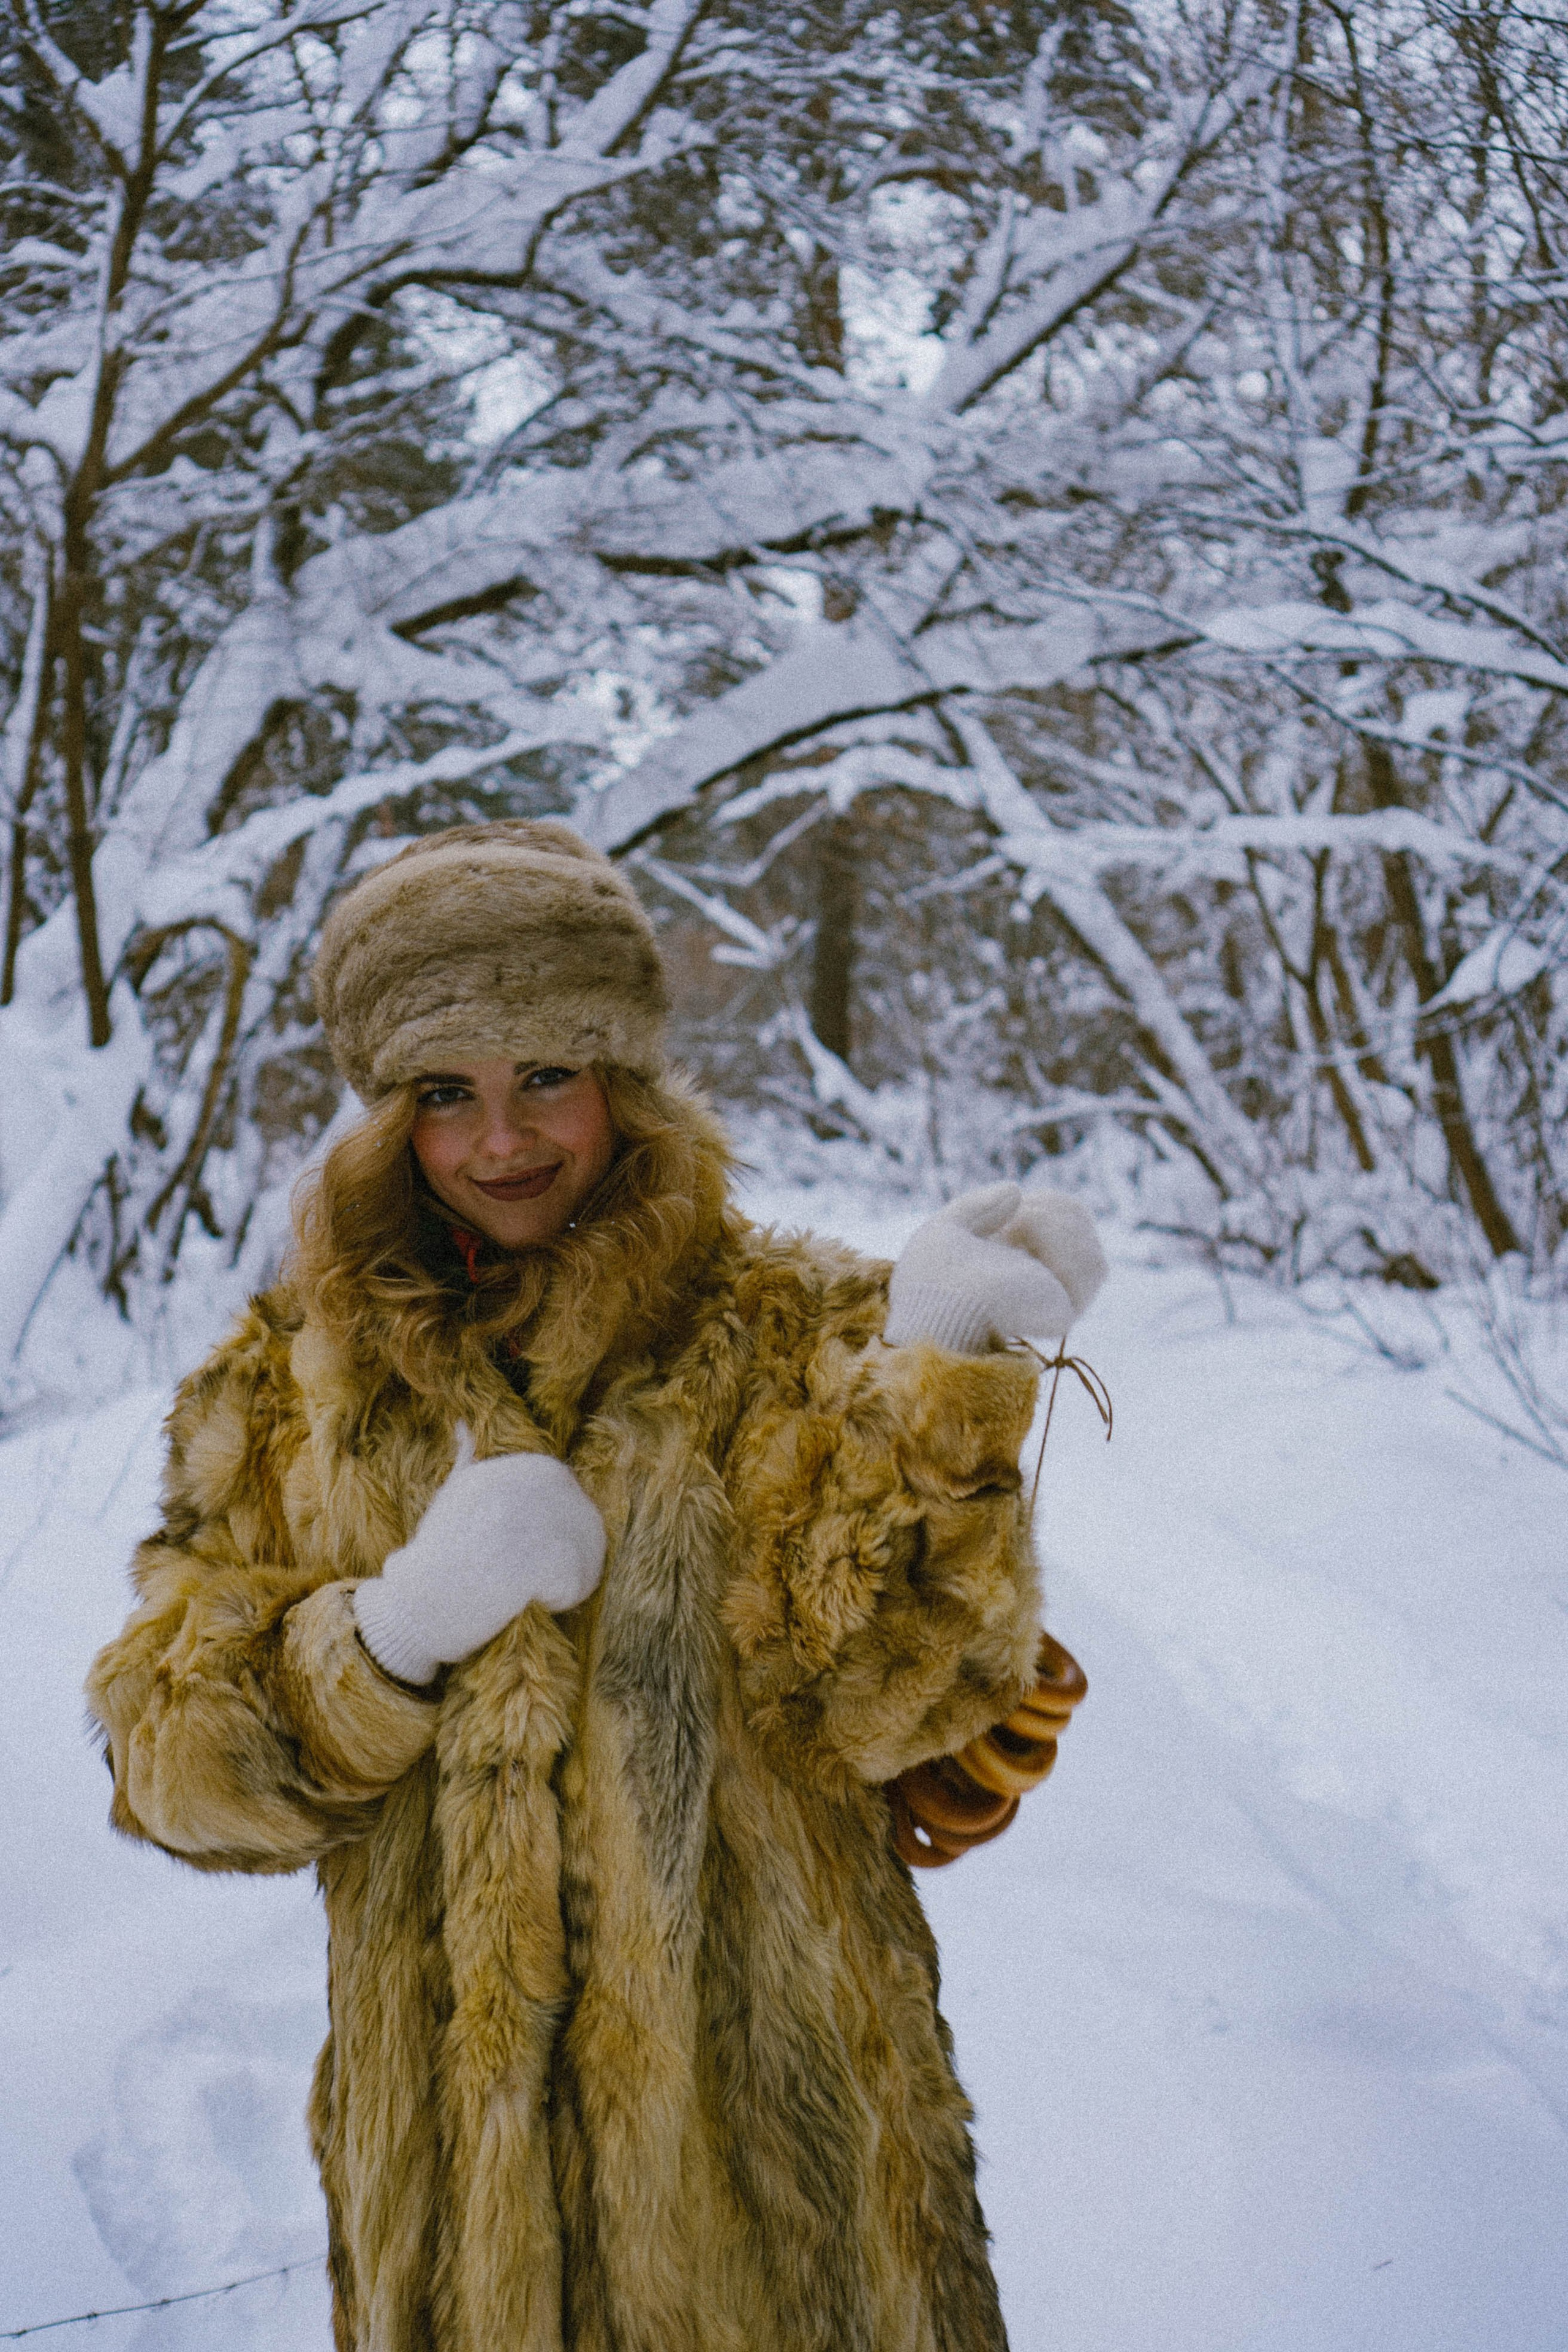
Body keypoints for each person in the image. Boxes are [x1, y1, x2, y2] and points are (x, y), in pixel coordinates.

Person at [86, 820, 1106, 2352]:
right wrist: (387, 1635)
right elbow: (169, 1765)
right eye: (447, 1094)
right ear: (387, 1116)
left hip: (785, 2202)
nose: (502, 1142)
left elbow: (899, 1696)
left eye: (547, 1075)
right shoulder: (289, 1383)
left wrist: (937, 1377)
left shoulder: (786, 1332)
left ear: (622, 1080)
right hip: (454, 2227)